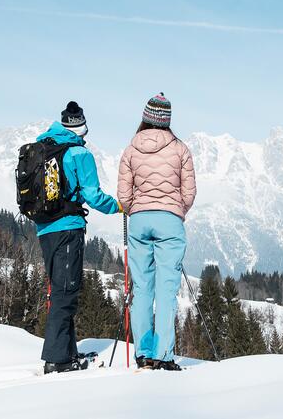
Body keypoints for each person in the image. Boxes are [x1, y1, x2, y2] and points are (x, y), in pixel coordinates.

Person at [37, 101, 122, 374]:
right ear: (82, 130)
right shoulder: (78, 154)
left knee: (59, 289)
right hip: (68, 228)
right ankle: (58, 360)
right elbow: (92, 195)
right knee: (66, 291)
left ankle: (67, 351)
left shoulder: (44, 147)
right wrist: (119, 206)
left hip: (45, 228)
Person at [117, 93, 196, 370]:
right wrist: (176, 211)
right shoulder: (180, 149)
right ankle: (163, 355)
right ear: (167, 120)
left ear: (145, 117)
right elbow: (189, 193)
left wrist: (135, 209)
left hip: (138, 220)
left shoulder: (130, 150)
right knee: (166, 290)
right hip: (170, 221)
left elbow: (123, 196)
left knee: (142, 288)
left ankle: (143, 353)